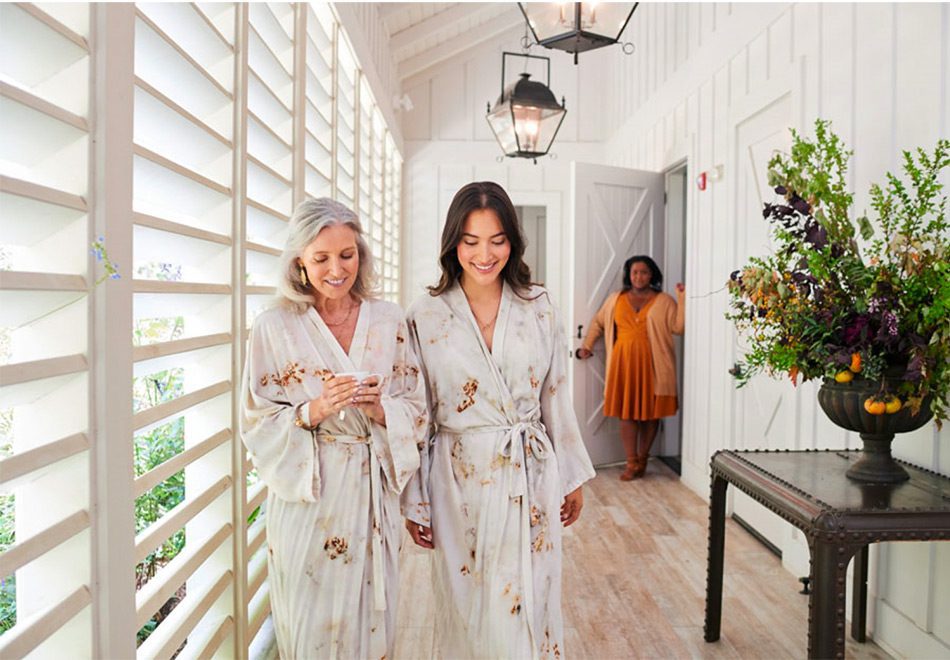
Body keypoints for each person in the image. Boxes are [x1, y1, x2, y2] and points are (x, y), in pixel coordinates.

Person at [402, 181, 596, 658]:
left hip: (530, 469)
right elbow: (417, 411)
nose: (484, 255)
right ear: (453, 243)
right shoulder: (425, 314)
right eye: (470, 241)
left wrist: (572, 476)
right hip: (457, 476)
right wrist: (415, 496)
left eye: (497, 240)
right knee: (466, 602)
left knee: (533, 597)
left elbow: (555, 395)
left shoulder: (538, 305)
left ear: (513, 241)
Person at [240, 198, 427, 659]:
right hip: (309, 497)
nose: (336, 269)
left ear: (361, 255)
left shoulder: (389, 320)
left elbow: (418, 405)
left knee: (373, 628)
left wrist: (383, 411)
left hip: (370, 495)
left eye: (347, 254)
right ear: (299, 261)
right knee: (309, 629)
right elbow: (256, 419)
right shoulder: (273, 327)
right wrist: (313, 410)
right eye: (321, 257)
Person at [576, 256, 685, 480]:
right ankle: (631, 461)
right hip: (622, 363)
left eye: (644, 272)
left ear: (652, 275)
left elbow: (678, 327)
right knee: (627, 414)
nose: (639, 277)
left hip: (654, 364)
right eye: (635, 272)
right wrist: (587, 345)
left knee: (651, 415)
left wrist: (682, 299)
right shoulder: (616, 298)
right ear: (629, 275)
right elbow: (598, 322)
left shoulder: (664, 300)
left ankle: (643, 459)